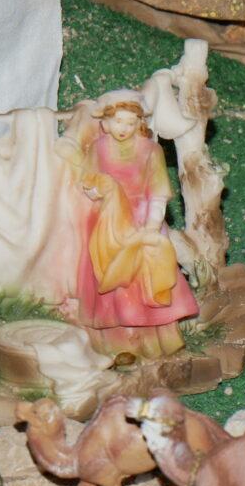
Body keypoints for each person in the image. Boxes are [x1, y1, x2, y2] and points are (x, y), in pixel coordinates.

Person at [59, 90, 198, 358]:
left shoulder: (151, 151)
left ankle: (156, 340)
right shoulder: (99, 149)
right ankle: (117, 343)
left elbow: (158, 191)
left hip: (142, 217)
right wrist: (99, 191)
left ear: (139, 123)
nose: (123, 128)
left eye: (130, 122)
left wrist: (152, 223)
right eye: (117, 121)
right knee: (111, 279)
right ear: (105, 122)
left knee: (144, 274)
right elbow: (88, 182)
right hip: (107, 222)